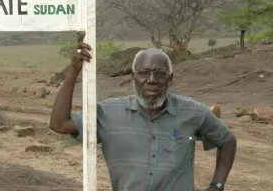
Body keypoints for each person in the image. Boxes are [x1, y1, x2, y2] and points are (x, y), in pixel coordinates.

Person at [49, 40, 237, 191]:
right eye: (144, 73)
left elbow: (228, 141)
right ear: (133, 78)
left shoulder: (193, 112)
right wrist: (74, 70)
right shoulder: (108, 113)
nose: (152, 80)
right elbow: (59, 124)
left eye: (160, 73)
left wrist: (217, 185)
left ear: (170, 79)